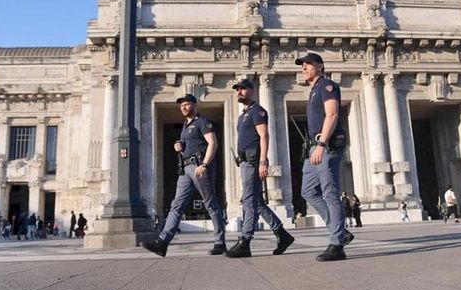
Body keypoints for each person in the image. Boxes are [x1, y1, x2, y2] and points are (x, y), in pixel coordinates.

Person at [142, 94, 226, 257]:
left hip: (199, 167)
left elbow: (213, 143)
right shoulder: (185, 126)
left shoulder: (202, 122)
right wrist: (178, 147)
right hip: (185, 169)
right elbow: (188, 145)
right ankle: (162, 242)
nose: (184, 108)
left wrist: (204, 164)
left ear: (195, 105)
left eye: (187, 104)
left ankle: (220, 242)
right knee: (176, 206)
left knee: (211, 204)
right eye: (182, 106)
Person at [225, 79, 295, 258]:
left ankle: (245, 241)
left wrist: (263, 161)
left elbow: (264, 136)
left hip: (253, 161)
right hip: (244, 162)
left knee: (248, 201)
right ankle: (282, 234)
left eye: (242, 89)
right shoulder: (242, 116)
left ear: (251, 90)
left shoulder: (258, 111)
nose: (239, 92)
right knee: (257, 202)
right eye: (237, 89)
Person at [295, 53, 354, 261]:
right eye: (302, 65)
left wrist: (321, 144)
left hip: (326, 147)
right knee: (308, 191)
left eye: (308, 64)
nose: (303, 68)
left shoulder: (327, 86)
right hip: (313, 149)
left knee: (330, 193)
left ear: (320, 66)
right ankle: (341, 231)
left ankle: (337, 244)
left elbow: (332, 115)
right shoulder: (313, 90)